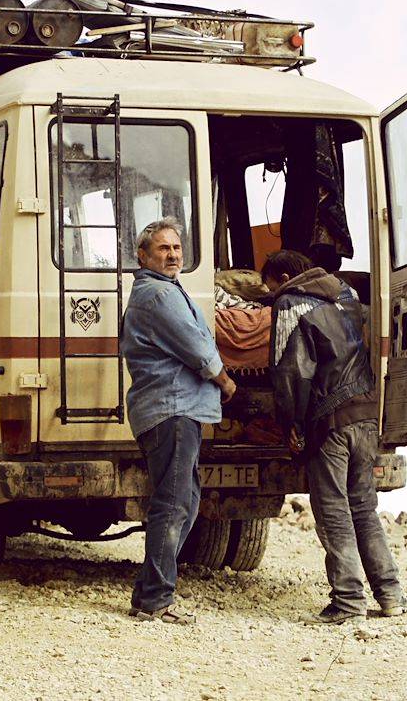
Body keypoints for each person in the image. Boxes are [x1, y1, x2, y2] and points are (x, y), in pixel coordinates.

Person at [261, 249, 404, 624]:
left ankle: (348, 602)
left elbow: (291, 371)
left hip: (330, 420)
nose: (271, 295)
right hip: (366, 413)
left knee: (333, 512)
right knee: (364, 508)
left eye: (270, 287)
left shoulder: (290, 303)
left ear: (283, 278)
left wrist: (292, 424)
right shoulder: (346, 292)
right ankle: (391, 595)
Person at [120, 218, 237, 624]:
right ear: (143, 256)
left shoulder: (163, 290)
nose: (172, 255)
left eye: (176, 248)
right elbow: (198, 349)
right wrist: (225, 382)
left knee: (184, 502)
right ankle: (156, 598)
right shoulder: (158, 295)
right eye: (163, 249)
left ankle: (147, 593)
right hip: (171, 410)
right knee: (172, 504)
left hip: (175, 410)